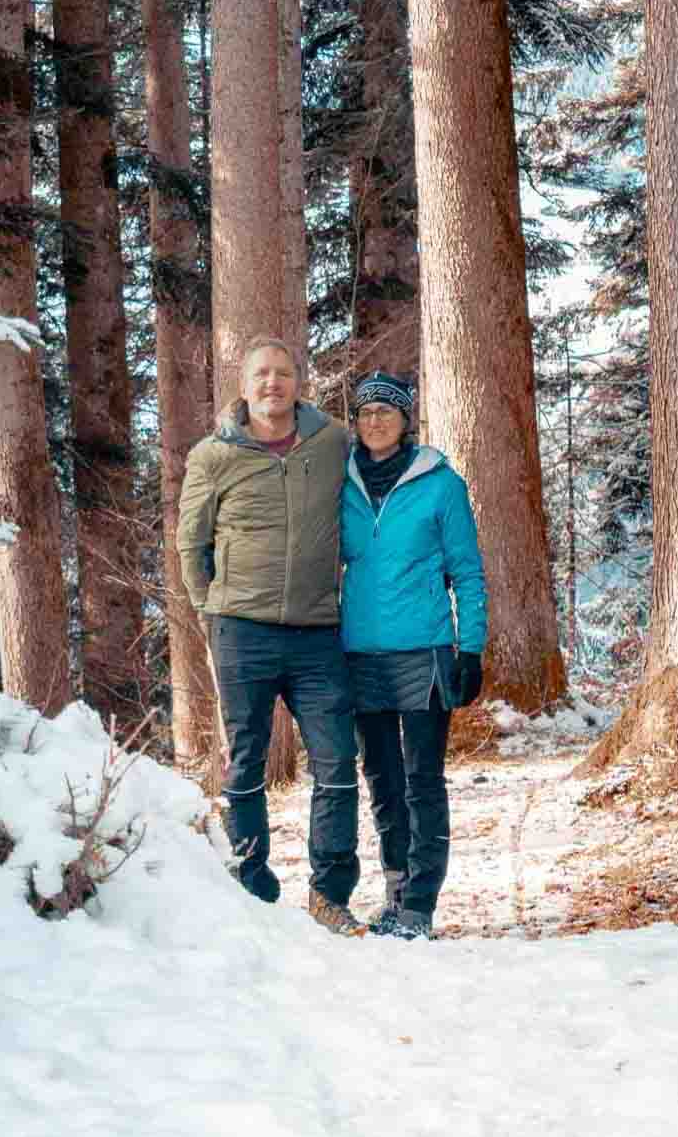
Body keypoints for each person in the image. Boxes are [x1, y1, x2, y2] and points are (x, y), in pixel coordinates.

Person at [176, 337, 362, 934]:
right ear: (243, 383)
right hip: (243, 633)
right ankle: (252, 889)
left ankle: (330, 895)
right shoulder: (212, 455)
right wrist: (214, 608)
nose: (272, 383)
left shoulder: (331, 441)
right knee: (246, 761)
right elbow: (190, 542)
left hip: (317, 634)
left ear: (299, 381)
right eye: (262, 374)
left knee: (336, 760)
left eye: (284, 373)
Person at [340, 371, 487, 940]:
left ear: (406, 420)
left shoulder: (440, 484)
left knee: (422, 779)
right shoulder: (343, 484)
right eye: (366, 411)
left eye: (387, 410)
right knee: (381, 778)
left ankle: (420, 906)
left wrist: (469, 647)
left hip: (424, 652)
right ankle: (396, 891)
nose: (375, 420)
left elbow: (467, 572)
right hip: (359, 654)